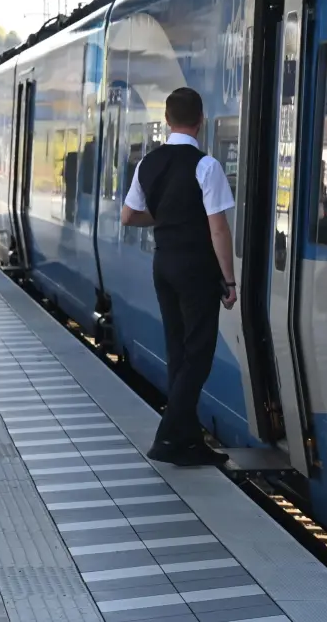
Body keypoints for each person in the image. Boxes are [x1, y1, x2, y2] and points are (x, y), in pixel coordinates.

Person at [121, 88, 238, 467]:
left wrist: (168, 217)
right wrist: (229, 280)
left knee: (178, 351)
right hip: (196, 268)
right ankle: (168, 437)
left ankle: (188, 439)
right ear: (200, 120)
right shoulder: (207, 166)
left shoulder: (147, 164)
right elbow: (218, 229)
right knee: (199, 354)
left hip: (163, 264)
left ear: (168, 119)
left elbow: (129, 216)